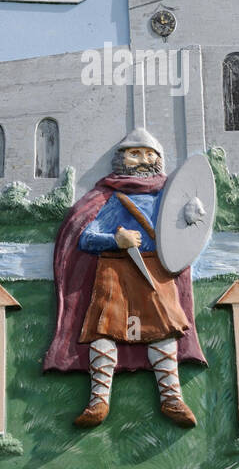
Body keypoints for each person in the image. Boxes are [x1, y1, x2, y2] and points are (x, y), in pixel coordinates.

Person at [42, 127, 205, 428]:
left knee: (163, 330)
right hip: (114, 270)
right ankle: (98, 401)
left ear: (158, 159)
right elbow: (86, 237)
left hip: (156, 269)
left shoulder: (168, 198)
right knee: (104, 331)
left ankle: (172, 398)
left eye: (148, 154)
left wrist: (192, 215)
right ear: (122, 159)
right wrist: (116, 240)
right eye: (135, 154)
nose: (143, 160)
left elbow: (183, 236)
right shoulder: (112, 199)